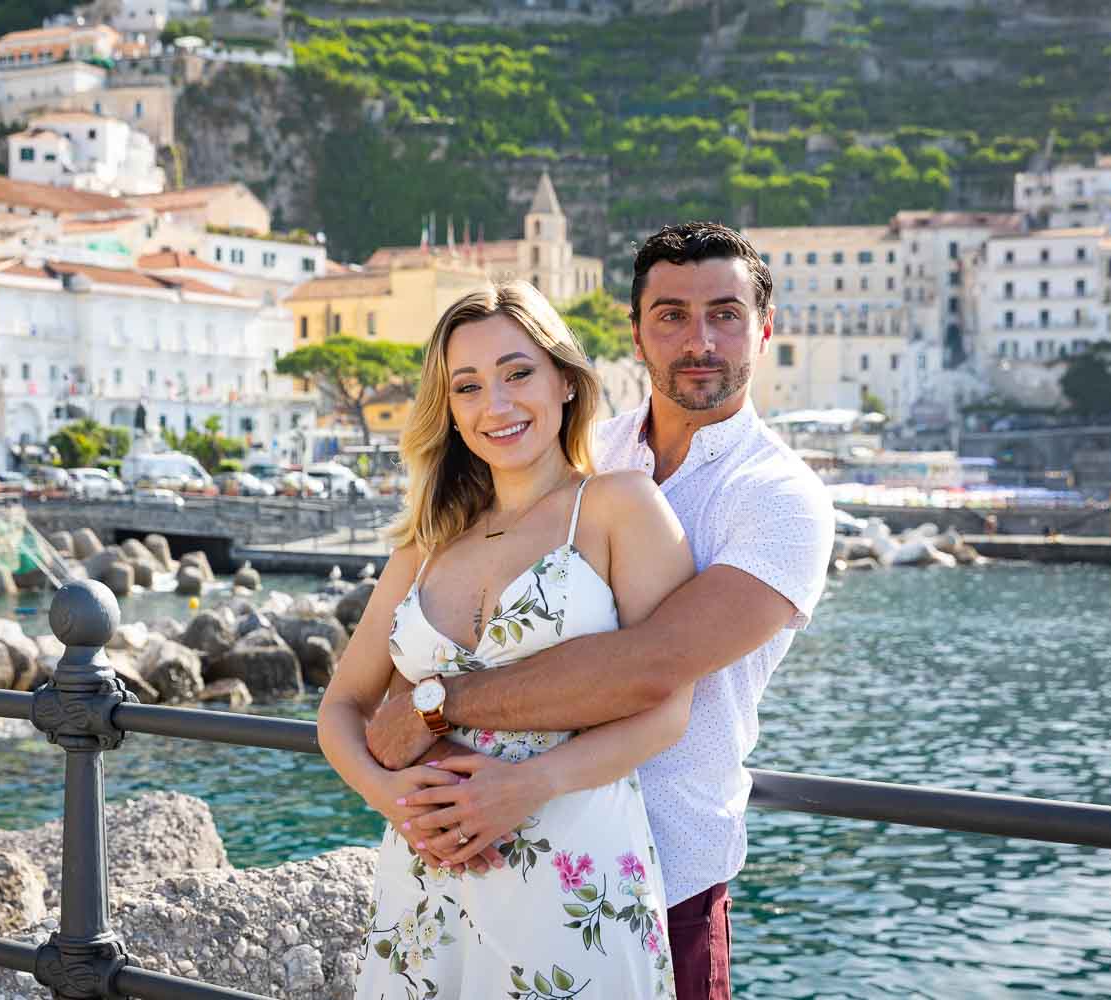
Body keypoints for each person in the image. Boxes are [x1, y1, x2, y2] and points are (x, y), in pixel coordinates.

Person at [363, 222, 836, 999]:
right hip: (489, 848)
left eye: (725, 314)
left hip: (666, 867)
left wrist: (436, 705)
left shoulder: (781, 502)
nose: (700, 340)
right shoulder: (576, 449)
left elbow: (652, 668)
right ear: (635, 334)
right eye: (671, 316)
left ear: (765, 328)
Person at [319, 280, 697, 998]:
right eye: (467, 387)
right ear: (450, 411)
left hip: (572, 872)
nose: (495, 405)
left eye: (518, 372)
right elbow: (340, 708)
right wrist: (392, 799)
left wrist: (527, 786)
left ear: (564, 381)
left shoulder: (620, 507)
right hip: (425, 883)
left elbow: (669, 709)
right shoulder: (426, 543)